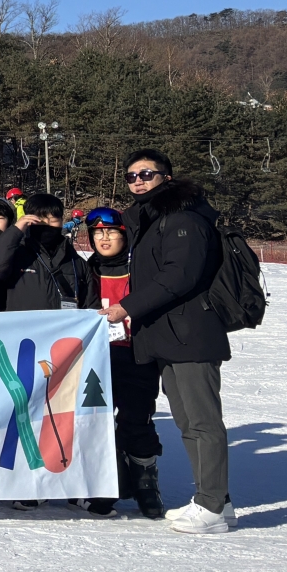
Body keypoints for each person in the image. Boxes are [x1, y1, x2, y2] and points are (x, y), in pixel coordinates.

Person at [103, 148, 231, 535]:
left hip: (191, 334)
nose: (139, 181)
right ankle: (213, 500)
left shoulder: (183, 219)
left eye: (147, 174)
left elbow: (180, 276)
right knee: (187, 421)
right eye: (131, 176)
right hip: (169, 337)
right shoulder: (152, 219)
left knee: (202, 421)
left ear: (167, 178)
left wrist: (126, 307)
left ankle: (213, 506)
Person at [78, 206, 164, 518]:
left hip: (136, 354)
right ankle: (106, 485)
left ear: (123, 235)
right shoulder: (88, 269)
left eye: (110, 232)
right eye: (97, 233)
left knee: (136, 420)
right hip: (98, 359)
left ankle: (147, 485)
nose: (103, 238)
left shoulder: (139, 268)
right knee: (95, 424)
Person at [0, 193, 82, 311]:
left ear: (61, 222)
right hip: (23, 328)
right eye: (40, 220)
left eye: (53, 220)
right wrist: (17, 229)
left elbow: (91, 304)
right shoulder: (17, 254)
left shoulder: (75, 261)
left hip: (66, 328)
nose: (47, 225)